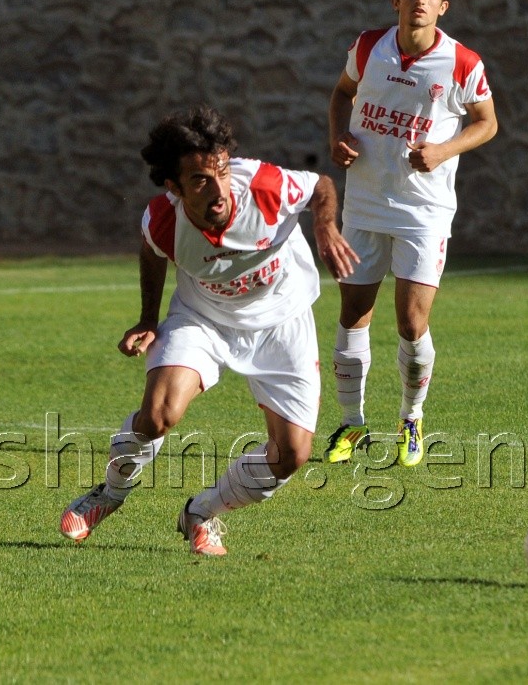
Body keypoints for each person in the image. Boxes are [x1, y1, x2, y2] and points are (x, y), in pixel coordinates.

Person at [58, 105, 357, 556]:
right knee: (158, 415)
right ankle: (110, 494)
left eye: (220, 173)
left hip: (282, 320)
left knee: (291, 455)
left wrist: (326, 225)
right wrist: (147, 318)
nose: (218, 190)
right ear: (174, 188)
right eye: (199, 180)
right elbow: (153, 250)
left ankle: (202, 512)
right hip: (203, 319)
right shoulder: (163, 219)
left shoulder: (263, 186)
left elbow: (322, 186)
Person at [322, 0, 498, 468]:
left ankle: (411, 417)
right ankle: (352, 425)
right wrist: (337, 135)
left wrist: (443, 151)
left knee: (411, 320)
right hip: (365, 202)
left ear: (443, 6)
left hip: (425, 210)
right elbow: (341, 93)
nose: (419, 1)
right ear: (394, 1)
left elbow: (487, 123)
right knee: (352, 313)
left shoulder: (462, 62)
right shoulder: (366, 47)